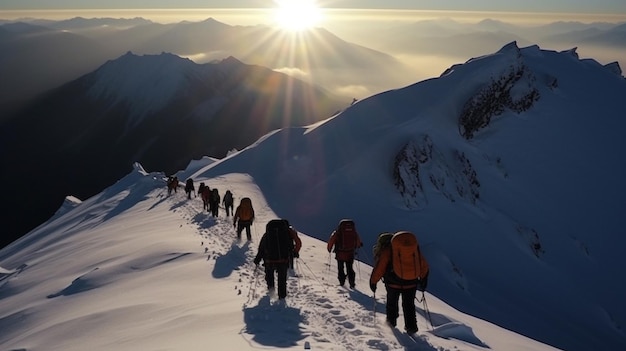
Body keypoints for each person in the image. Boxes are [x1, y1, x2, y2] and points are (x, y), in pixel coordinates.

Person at [369, 231, 429, 334]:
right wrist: (423, 280)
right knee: (409, 305)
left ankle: (391, 324)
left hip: (393, 283)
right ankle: (411, 327)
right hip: (411, 283)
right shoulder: (412, 250)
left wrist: (373, 282)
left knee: (392, 303)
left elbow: (380, 267)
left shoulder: (388, 250)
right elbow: (423, 265)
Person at [253, 219, 301, 300]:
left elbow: (261, 248)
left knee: (269, 275)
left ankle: (271, 292)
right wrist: (295, 252)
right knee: (282, 279)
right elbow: (298, 243)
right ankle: (282, 297)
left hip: (269, 260)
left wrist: (257, 259)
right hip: (283, 259)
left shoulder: (268, 234)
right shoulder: (288, 232)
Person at [327, 219, 363, 288]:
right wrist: (359, 245)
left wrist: (329, 249)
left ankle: (342, 282)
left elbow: (332, 240)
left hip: (340, 254)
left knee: (341, 268)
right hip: (350, 253)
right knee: (350, 268)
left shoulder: (337, 232)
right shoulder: (353, 232)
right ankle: (352, 283)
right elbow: (358, 241)